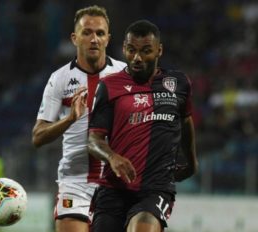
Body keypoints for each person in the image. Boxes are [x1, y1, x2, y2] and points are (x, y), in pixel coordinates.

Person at [88, 20, 198, 232]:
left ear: (159, 50)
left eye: (146, 51)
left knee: (143, 227)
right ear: (124, 49)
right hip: (113, 188)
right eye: (131, 50)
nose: (137, 58)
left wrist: (192, 163)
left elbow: (185, 121)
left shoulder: (179, 83)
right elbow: (94, 140)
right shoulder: (109, 86)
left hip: (156, 187)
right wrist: (112, 157)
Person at [31, 5, 126, 232]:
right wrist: (69, 119)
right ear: (75, 38)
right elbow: (37, 137)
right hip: (75, 181)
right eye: (87, 32)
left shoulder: (125, 75)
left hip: (116, 182)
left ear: (108, 38)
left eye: (100, 33)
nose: (94, 39)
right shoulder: (60, 79)